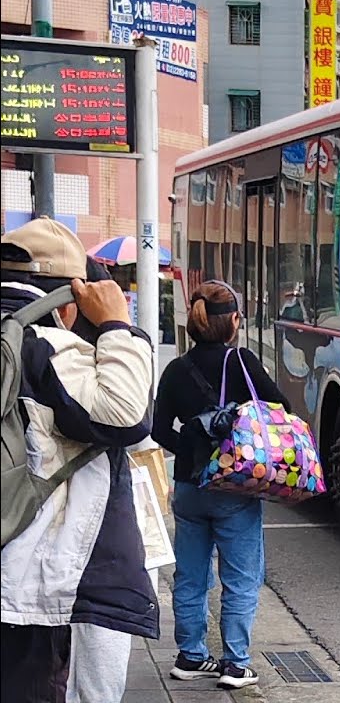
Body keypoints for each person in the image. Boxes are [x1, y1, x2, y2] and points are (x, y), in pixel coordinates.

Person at [0, 217, 157, 703]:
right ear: (68, 301)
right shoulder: (45, 345)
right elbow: (124, 417)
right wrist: (115, 325)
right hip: (25, 587)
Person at [151, 280, 290, 690]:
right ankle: (235, 663)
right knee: (241, 576)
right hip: (233, 488)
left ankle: (191, 655)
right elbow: (281, 408)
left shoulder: (176, 369)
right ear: (232, 321)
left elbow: (159, 430)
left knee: (191, 576)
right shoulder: (242, 362)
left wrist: (194, 453)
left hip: (189, 490)